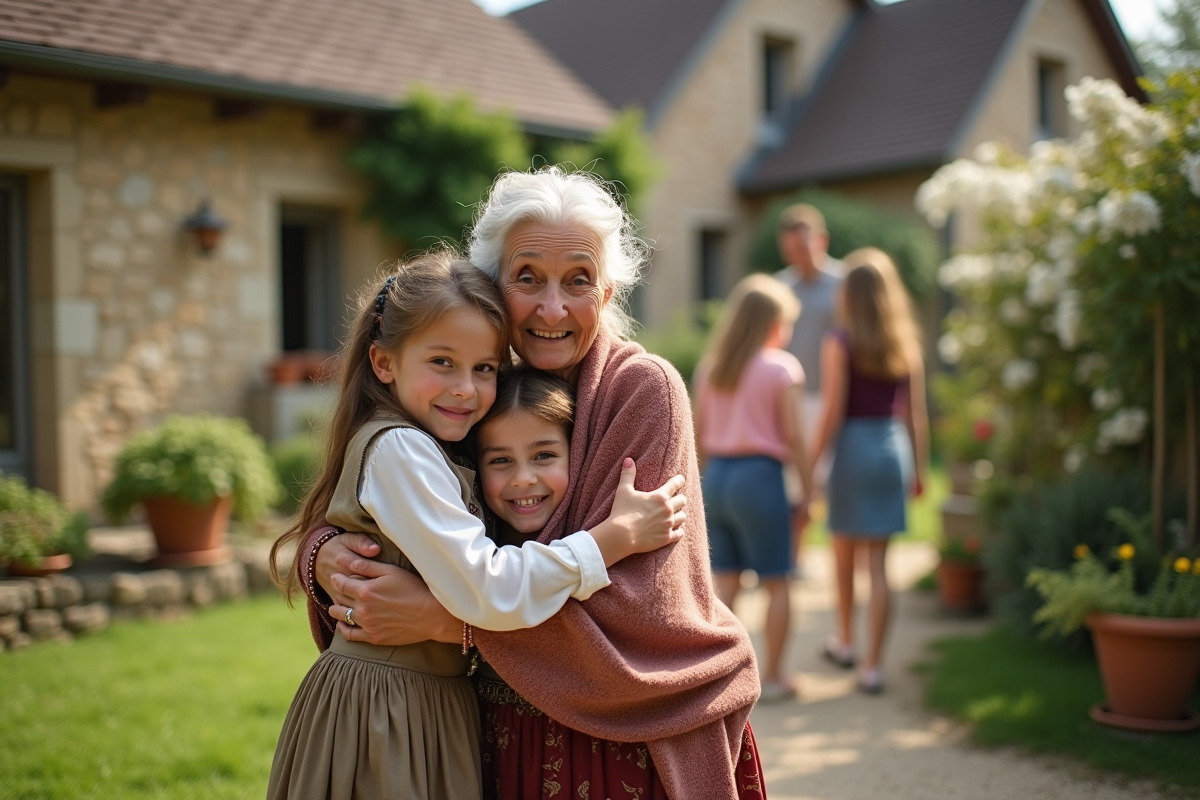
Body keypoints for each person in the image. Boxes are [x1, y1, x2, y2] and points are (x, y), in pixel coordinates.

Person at [296, 167, 765, 800]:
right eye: (527, 278)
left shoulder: (641, 390)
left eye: (578, 280)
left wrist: (452, 623)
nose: (552, 307)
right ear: (494, 286)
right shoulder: (474, 387)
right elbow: (380, 500)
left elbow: (641, 605)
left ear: (607, 292)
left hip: (619, 740)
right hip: (495, 729)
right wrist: (327, 557)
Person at [267, 252, 687, 800]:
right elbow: (487, 588)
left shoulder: (445, 439)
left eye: (484, 368)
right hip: (386, 710)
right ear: (384, 362)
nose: (465, 388)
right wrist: (610, 540)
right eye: (442, 362)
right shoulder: (402, 448)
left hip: (427, 702)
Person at [810, 247, 928, 695]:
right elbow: (917, 414)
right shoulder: (906, 342)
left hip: (854, 450)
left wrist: (815, 465)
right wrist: (920, 470)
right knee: (880, 564)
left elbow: (833, 411)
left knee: (844, 556)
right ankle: (874, 666)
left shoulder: (839, 341)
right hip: (893, 448)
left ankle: (845, 640)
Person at [693, 273, 813, 703]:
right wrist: (810, 488)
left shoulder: (713, 368)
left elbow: (700, 438)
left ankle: (720, 677)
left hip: (717, 480)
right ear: (772, 323)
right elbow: (796, 437)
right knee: (777, 580)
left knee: (725, 584)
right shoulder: (782, 367)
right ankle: (777, 675)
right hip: (760, 479)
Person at [774, 204, 843, 573]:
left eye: (802, 248)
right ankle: (794, 558)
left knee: (829, 481)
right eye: (790, 251)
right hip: (793, 399)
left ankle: (838, 559)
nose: (797, 258)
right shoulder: (781, 286)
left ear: (821, 240)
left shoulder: (842, 284)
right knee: (795, 484)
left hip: (830, 398)